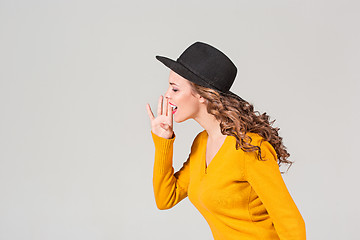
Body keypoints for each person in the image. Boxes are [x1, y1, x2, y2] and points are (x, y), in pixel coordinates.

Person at [146, 42, 306, 240]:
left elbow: (291, 224)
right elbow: (165, 198)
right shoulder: (201, 143)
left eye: (175, 89)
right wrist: (163, 140)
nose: (167, 96)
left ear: (201, 94)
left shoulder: (250, 148)